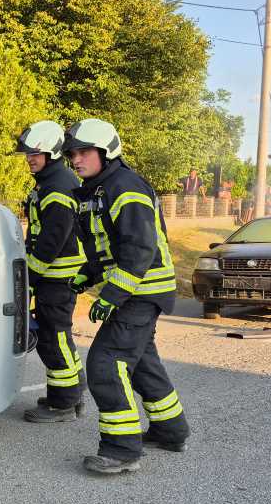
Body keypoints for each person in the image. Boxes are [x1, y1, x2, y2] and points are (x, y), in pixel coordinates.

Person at [64, 118, 190, 475]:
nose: (76, 160)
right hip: (136, 288)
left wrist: (112, 295)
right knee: (142, 362)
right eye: (72, 153)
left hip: (142, 288)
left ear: (106, 151)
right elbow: (107, 247)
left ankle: (122, 450)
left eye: (84, 152)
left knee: (107, 362)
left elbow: (139, 249)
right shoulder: (98, 190)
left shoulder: (126, 187)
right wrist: (85, 276)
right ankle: (171, 430)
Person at [15, 120, 87, 423]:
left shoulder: (57, 185)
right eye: (27, 154)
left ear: (53, 153)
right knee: (57, 337)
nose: (29, 158)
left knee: (53, 338)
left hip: (56, 278)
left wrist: (29, 278)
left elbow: (50, 242)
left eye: (35, 153)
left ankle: (64, 403)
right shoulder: (52, 180)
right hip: (55, 277)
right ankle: (70, 393)